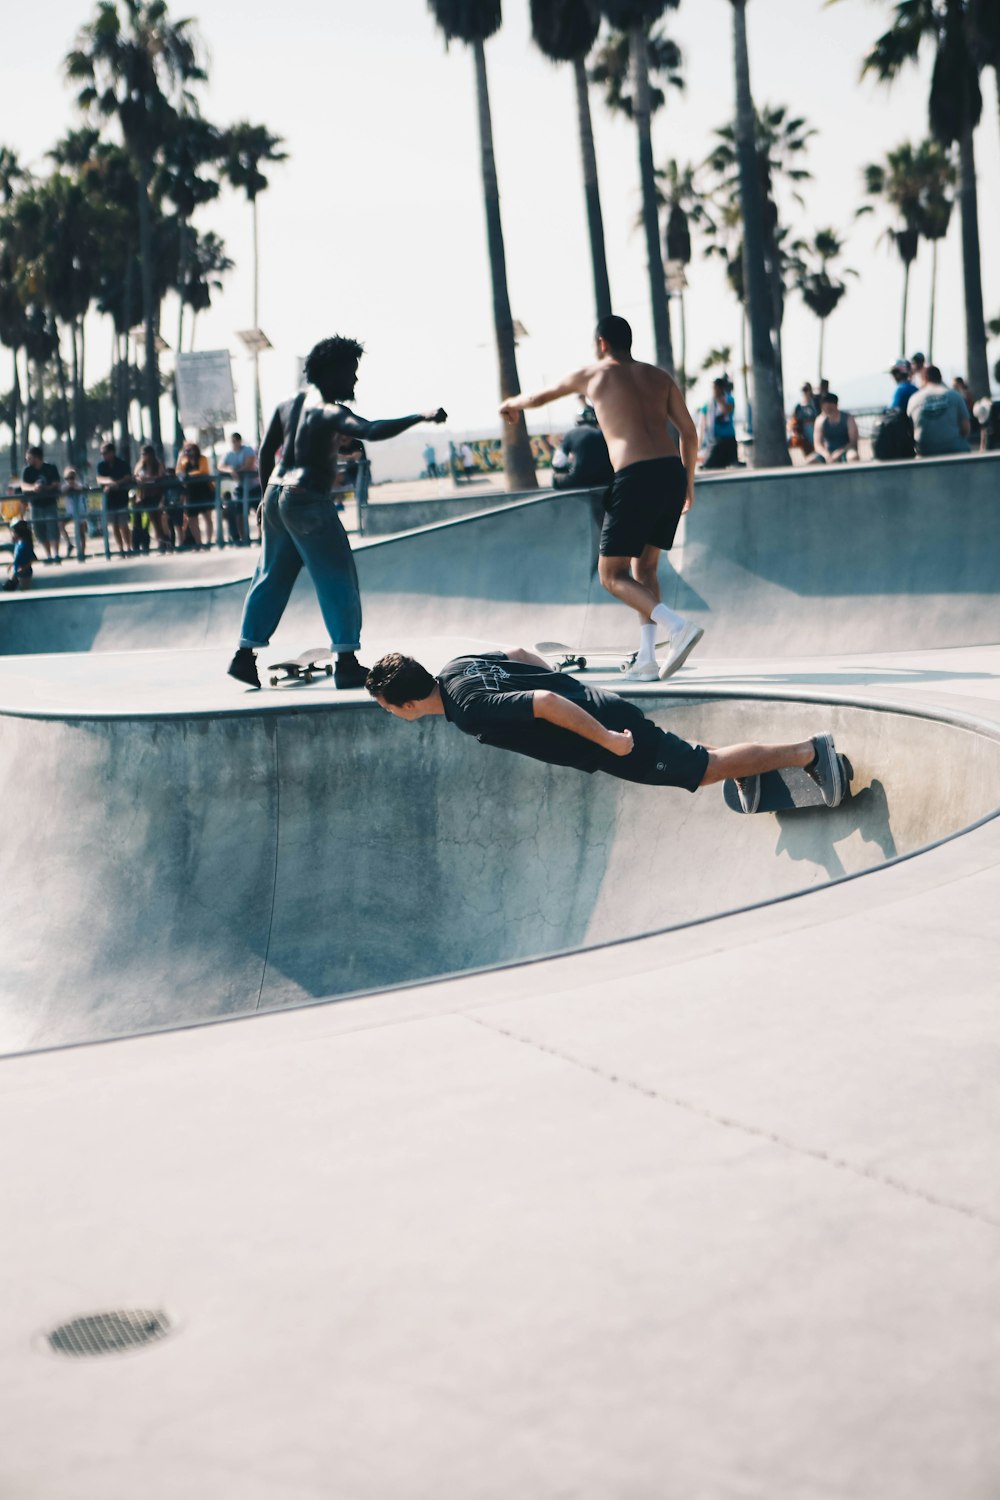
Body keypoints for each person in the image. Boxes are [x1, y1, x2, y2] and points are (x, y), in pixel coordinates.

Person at [365, 647, 846, 812]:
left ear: (407, 703)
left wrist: (606, 740)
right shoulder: (456, 668)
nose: (392, 715)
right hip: (597, 707)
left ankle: (809, 753)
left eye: (389, 708)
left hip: (605, 733)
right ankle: (747, 769)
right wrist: (572, 685)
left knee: (700, 770)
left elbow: (546, 703)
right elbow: (520, 655)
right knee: (691, 758)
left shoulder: (467, 709)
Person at [228, 334, 447, 691]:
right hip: (307, 499)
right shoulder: (330, 411)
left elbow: (267, 451)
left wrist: (264, 499)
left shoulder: (287, 404)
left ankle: (244, 656)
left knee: (271, 576)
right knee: (337, 577)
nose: (355, 380)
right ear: (330, 373)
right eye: (350, 372)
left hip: (275, 494)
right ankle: (346, 662)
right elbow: (371, 430)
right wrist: (419, 415)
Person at [499, 313, 702, 682]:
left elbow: (541, 396)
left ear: (602, 343)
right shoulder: (659, 377)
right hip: (671, 473)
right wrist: (688, 483)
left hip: (635, 476)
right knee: (645, 569)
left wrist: (512, 401)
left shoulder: (594, 373)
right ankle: (647, 659)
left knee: (611, 575)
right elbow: (689, 433)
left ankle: (677, 627)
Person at [907, 366, 971, 456]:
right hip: (954, 450)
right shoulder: (955, 395)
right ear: (940, 378)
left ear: (924, 378)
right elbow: (966, 428)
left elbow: (910, 429)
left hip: (925, 451)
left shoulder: (914, 398)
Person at [551, 404, 614, 490]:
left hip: (579, 480)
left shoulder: (570, 434)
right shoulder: (604, 433)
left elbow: (557, 463)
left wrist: (567, 470)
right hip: (606, 479)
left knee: (555, 478)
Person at [20, 446, 61, 564]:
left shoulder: (51, 468)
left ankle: (56, 555)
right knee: (39, 531)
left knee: (52, 528)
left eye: (30, 457)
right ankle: (48, 555)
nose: (28, 459)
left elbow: (56, 483)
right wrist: (34, 487)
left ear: (37, 457)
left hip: (50, 503)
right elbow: (24, 486)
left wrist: (45, 488)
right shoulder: (27, 470)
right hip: (35, 505)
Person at [218, 431, 259, 543]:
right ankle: (244, 538)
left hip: (254, 486)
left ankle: (262, 538)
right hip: (239, 488)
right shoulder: (228, 454)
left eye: (236, 441)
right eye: (232, 441)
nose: (234, 443)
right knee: (239, 513)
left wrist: (237, 471)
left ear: (240, 441)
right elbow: (220, 466)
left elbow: (249, 464)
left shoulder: (248, 449)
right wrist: (230, 470)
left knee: (260, 512)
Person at [96, 441, 133, 556]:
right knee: (114, 526)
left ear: (112, 452)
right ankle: (121, 549)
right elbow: (100, 479)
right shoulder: (101, 465)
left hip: (121, 499)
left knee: (124, 525)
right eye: (102, 453)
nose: (104, 455)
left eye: (106, 453)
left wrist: (117, 483)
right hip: (109, 500)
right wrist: (111, 482)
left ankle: (129, 547)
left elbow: (128, 477)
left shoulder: (122, 464)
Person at [177, 441, 215, 547]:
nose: (189, 453)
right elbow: (179, 472)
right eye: (187, 450)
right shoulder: (185, 462)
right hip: (191, 493)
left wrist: (188, 476)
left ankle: (208, 541)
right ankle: (199, 543)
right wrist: (180, 458)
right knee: (192, 519)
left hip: (204, 490)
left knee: (207, 517)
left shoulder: (202, 459)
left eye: (191, 450)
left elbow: (203, 471)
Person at [698, 378, 739, 469]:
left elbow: (726, 411)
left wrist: (720, 400)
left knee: (731, 465)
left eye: (715, 388)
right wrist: (699, 443)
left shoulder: (729, 399)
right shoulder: (707, 405)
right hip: (714, 440)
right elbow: (702, 425)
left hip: (728, 439)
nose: (714, 390)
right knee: (708, 466)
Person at [134, 445, 168, 552]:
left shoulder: (158, 464)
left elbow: (161, 475)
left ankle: (164, 541)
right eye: (142, 454)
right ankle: (160, 542)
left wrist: (149, 478)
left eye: (145, 454)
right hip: (146, 494)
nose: (144, 456)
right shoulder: (141, 465)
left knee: (160, 518)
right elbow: (136, 475)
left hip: (157, 493)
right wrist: (141, 478)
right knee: (153, 520)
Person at [812, 393, 860, 464]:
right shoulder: (820, 420)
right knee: (811, 461)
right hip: (827, 452)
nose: (825, 409)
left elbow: (853, 442)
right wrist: (826, 454)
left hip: (845, 450)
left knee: (853, 457)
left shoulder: (848, 419)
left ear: (835, 405)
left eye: (828, 407)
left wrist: (839, 452)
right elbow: (817, 444)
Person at [61, 468, 89, 560]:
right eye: (67, 478)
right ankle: (69, 544)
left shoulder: (78, 484)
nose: (70, 480)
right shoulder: (65, 486)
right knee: (60, 525)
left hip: (80, 511)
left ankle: (82, 552)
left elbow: (83, 488)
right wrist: (69, 487)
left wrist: (75, 487)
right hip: (70, 512)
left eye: (71, 478)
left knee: (81, 533)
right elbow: (62, 490)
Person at [4, 518, 36, 590]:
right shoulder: (18, 544)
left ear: (18, 533)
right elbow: (17, 557)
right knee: (9, 587)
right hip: (16, 571)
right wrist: (12, 564)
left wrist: (23, 568)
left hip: (25, 573)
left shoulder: (26, 545)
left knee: (24, 591)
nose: (12, 534)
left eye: (13, 532)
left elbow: (33, 559)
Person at [789, 383, 819, 458]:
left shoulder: (816, 403)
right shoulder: (798, 407)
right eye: (803, 390)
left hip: (815, 428)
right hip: (801, 431)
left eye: (806, 389)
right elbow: (793, 420)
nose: (805, 392)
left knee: (810, 430)